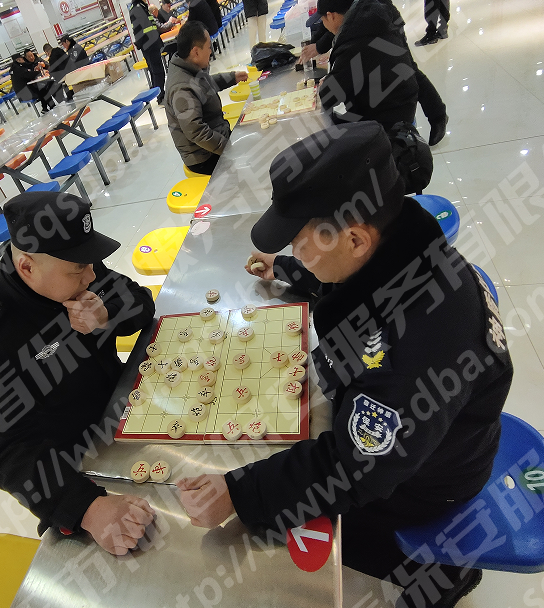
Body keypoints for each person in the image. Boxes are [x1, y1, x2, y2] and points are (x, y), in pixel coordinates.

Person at [177, 121, 513, 608]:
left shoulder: (415, 349)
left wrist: (240, 492)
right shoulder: (401, 241)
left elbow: (356, 467)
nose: (293, 250)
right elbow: (363, 283)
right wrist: (293, 270)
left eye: (300, 241)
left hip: (428, 479)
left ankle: (446, 575)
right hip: (432, 433)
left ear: (354, 239)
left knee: (320, 534)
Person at [0, 191, 157, 556]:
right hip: (77, 465)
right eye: (78, 269)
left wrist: (107, 314)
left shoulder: (79, 268)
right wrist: (86, 507)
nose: (91, 275)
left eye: (90, 264)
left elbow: (140, 301)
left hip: (130, 410)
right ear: (27, 267)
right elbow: (3, 449)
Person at [300, 0, 448, 146]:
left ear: (331, 16)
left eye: (323, 19)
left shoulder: (354, 40)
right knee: (404, 67)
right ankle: (435, 115)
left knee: (407, 67)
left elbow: (330, 95)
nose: (323, 23)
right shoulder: (358, 21)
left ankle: (433, 117)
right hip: (381, 16)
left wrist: (321, 50)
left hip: (386, 117)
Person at [164, 21, 248, 175]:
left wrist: (232, 78)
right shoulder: (181, 87)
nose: (211, 51)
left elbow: (205, 85)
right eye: (209, 47)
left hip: (213, 141)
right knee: (251, 158)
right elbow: (197, 132)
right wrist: (229, 148)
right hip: (203, 157)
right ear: (196, 52)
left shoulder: (188, 67)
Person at [130, 0, 175, 104]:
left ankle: (159, 94)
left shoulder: (139, 7)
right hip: (149, 44)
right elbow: (146, 28)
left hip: (149, 44)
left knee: (154, 70)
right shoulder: (138, 8)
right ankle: (161, 97)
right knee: (158, 71)